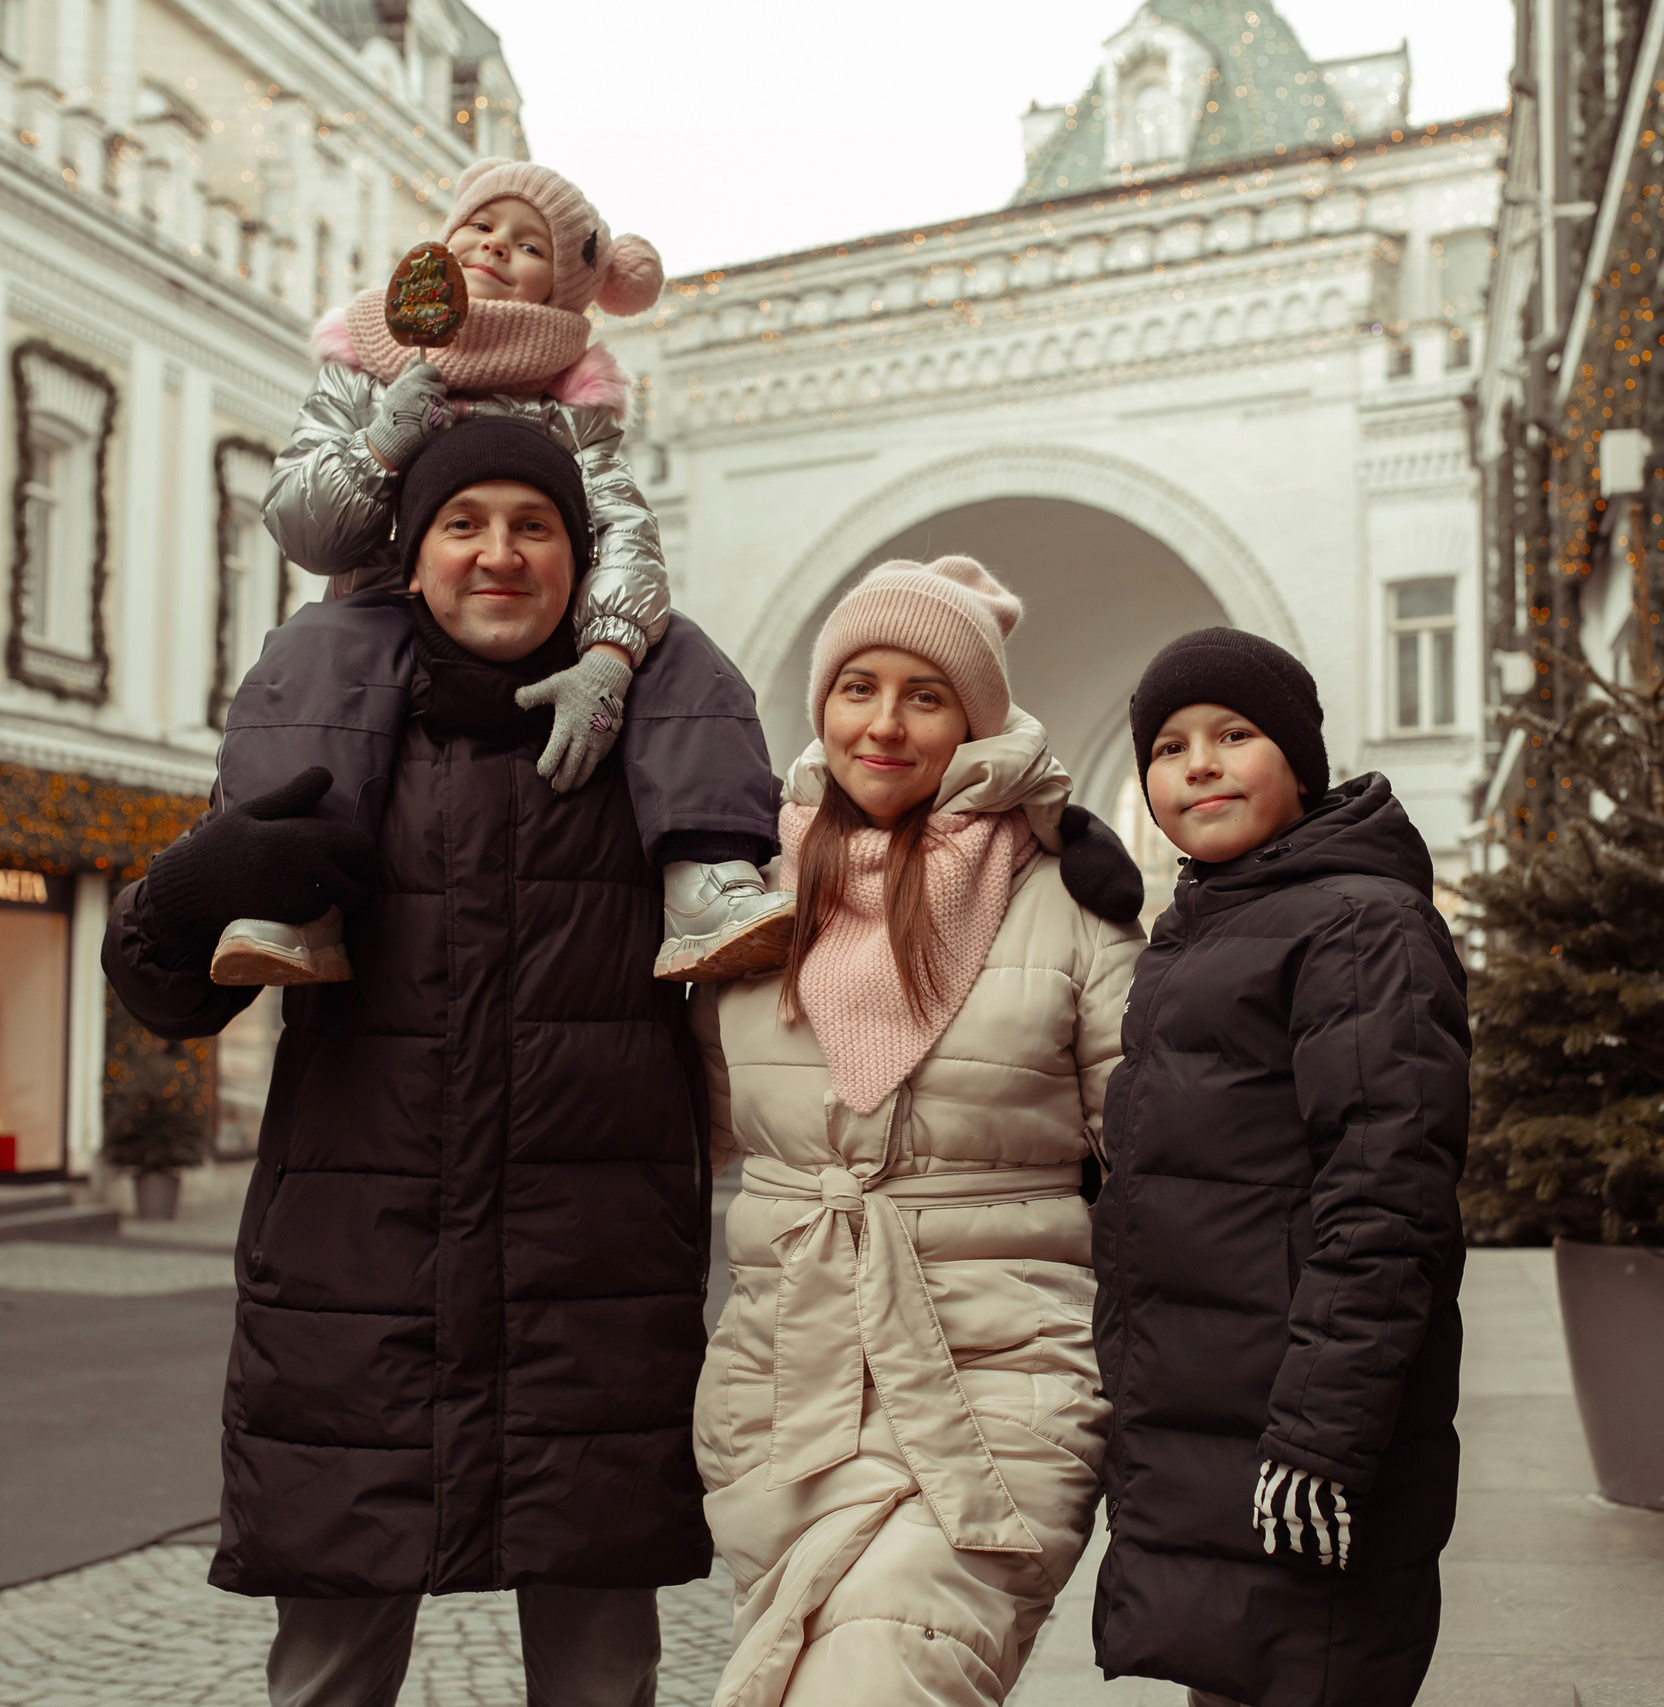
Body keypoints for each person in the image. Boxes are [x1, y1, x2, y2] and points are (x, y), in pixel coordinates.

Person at [103, 416, 726, 1707]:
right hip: (352, 1307)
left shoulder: (658, 742)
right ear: (415, 547)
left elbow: (823, 891)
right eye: (465, 523)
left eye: (533, 525)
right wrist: (192, 884)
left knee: (602, 1674)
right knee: (330, 1674)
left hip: (591, 1309)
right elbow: (164, 993)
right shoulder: (325, 729)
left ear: (580, 549)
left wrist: (1026, 836)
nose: (498, 555)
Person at [690, 557, 1147, 1707]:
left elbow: (1158, 1159)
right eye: (857, 686)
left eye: (925, 695)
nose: (884, 724)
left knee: (878, 1679)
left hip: (997, 1392)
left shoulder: (1069, 901)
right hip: (784, 1395)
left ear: (975, 720)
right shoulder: (747, 901)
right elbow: (668, 1129)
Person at [230, 158, 789, 989]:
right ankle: (293, 891)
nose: (496, 246)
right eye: (480, 226)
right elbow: (304, 530)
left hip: (547, 631)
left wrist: (607, 656)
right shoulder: (365, 361)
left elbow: (624, 531)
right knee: (313, 653)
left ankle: (705, 877)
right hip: (387, 612)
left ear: (562, 292)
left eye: (530, 245)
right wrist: (381, 441)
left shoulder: (575, 404)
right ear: (441, 247)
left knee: (685, 657)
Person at [1090, 629, 1469, 1707]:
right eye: (1168, 746)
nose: (1198, 763)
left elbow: (1386, 1201)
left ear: (1299, 760)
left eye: (1233, 733)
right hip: (1225, 1424)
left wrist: (1319, 1438)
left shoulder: (1356, 928)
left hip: (1306, 1441)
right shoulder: (1216, 926)